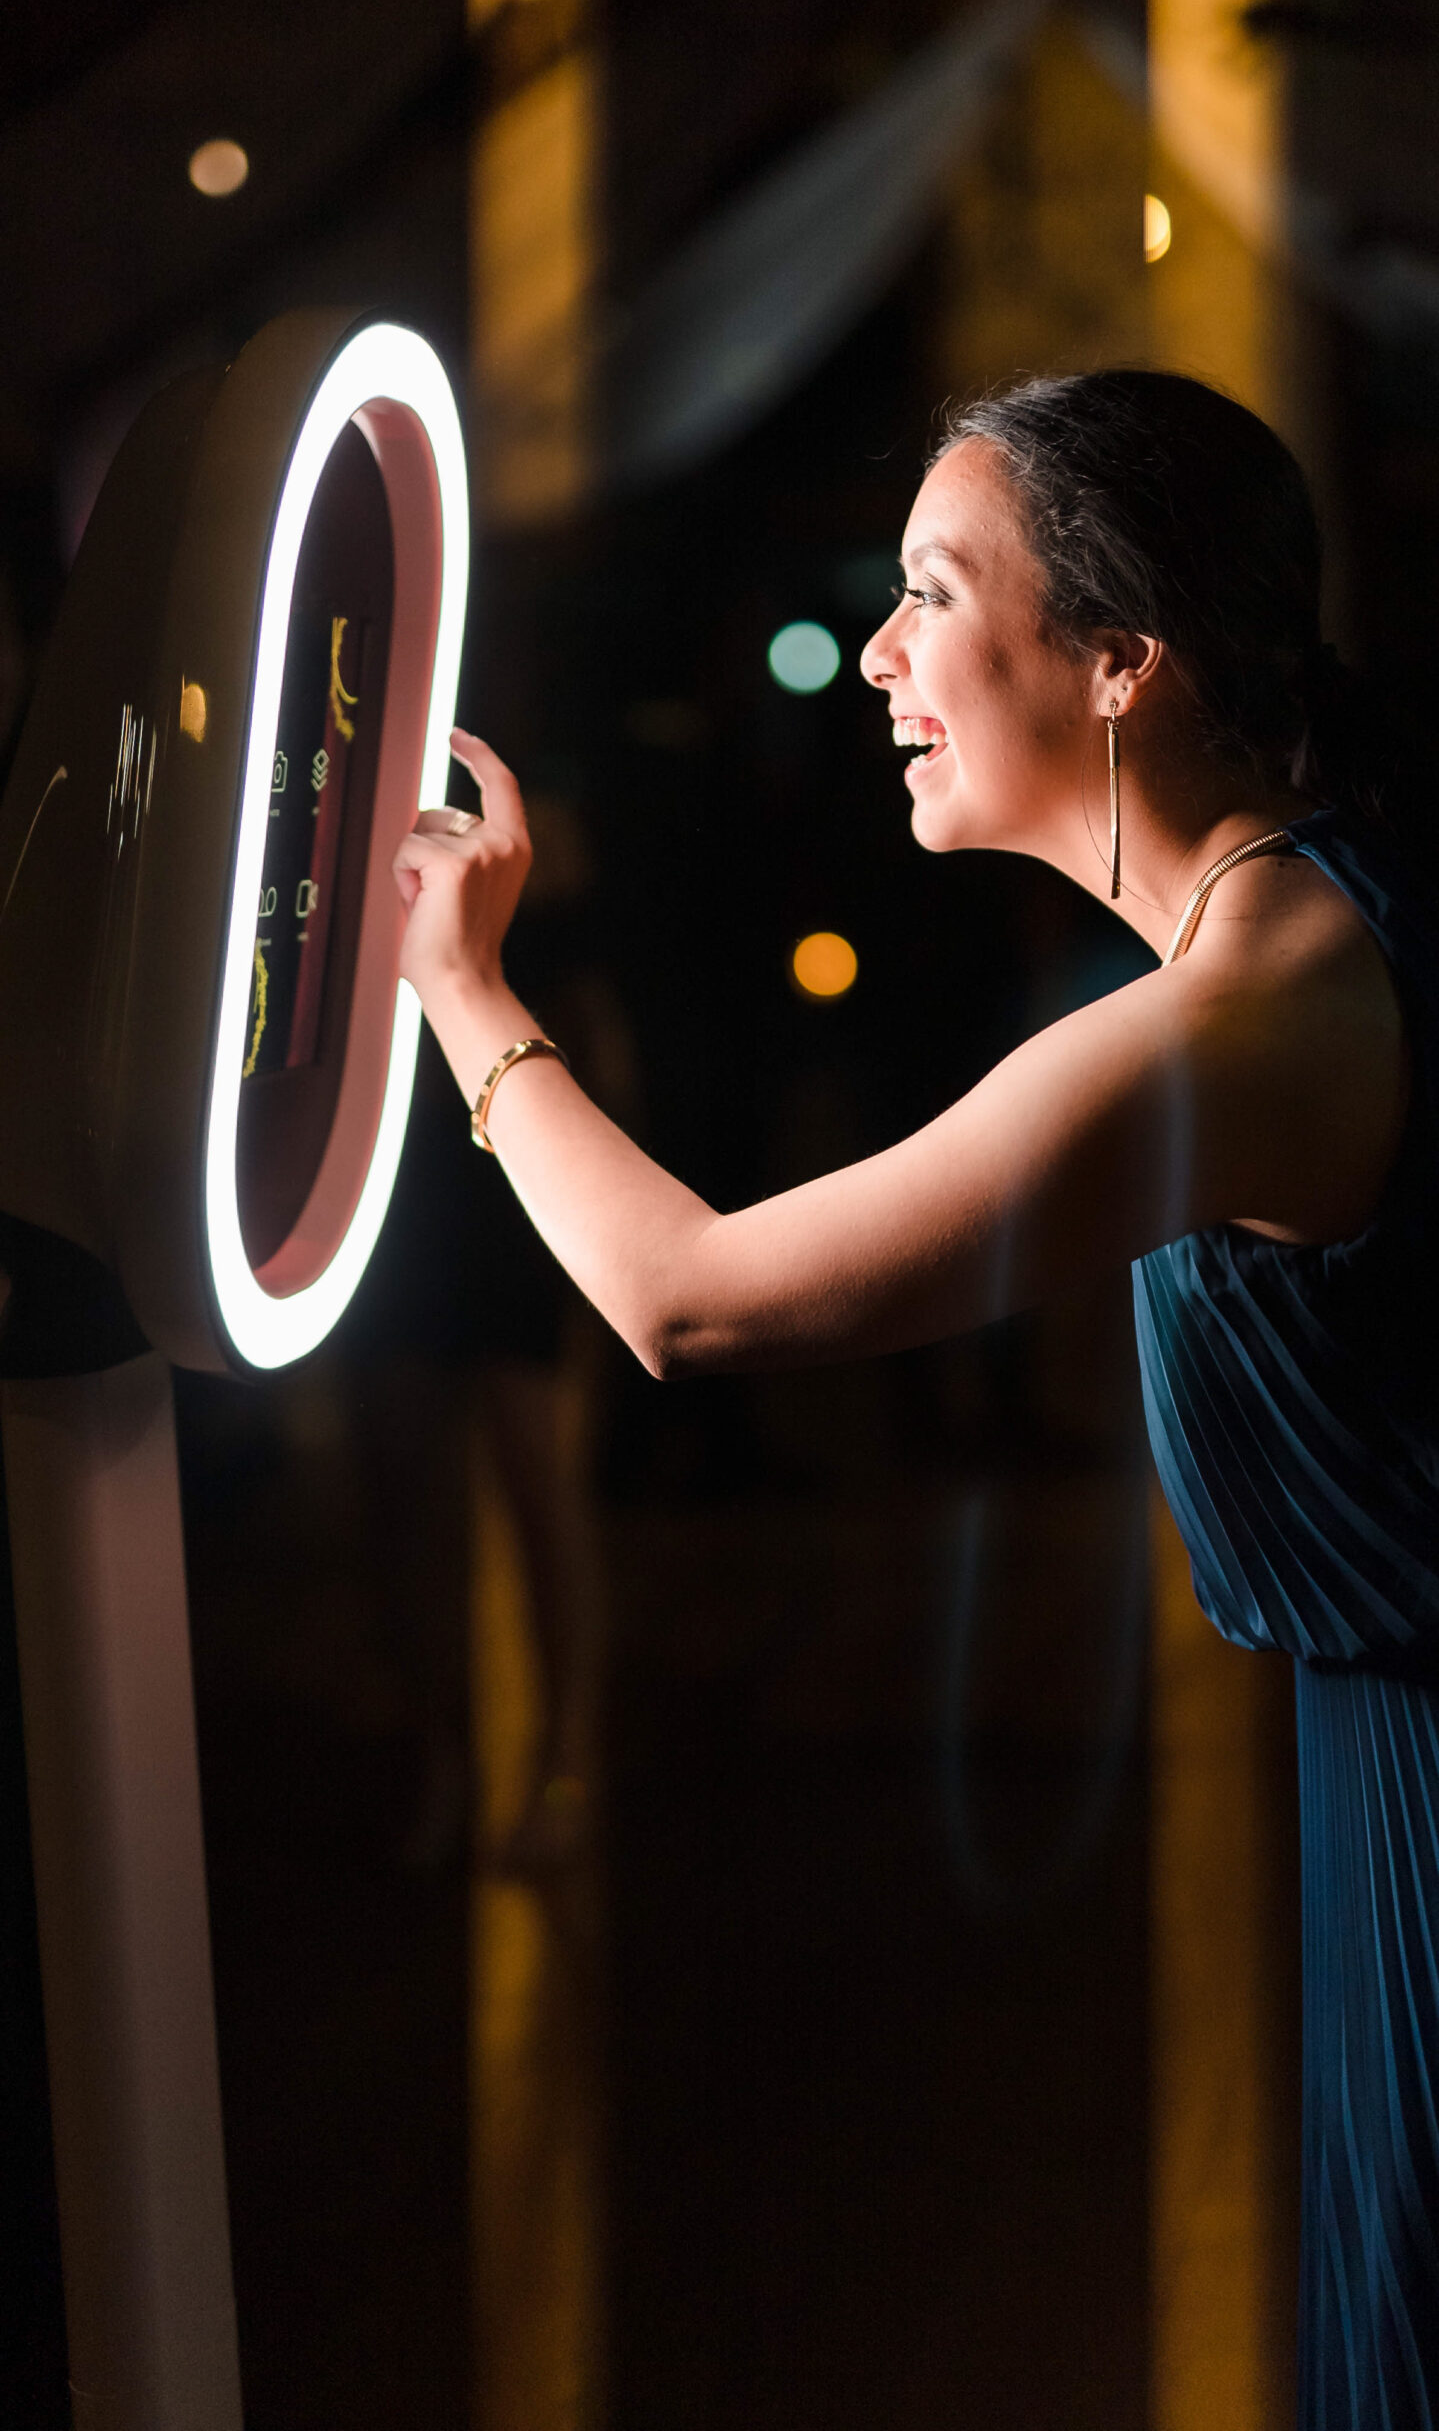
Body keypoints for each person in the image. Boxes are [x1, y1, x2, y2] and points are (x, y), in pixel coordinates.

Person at [394, 369, 1439, 2426]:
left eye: (933, 590)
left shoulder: (1239, 1017)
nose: (873, 651)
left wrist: (464, 989)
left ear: (1123, 660)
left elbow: (690, 1305)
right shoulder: (1304, 919)